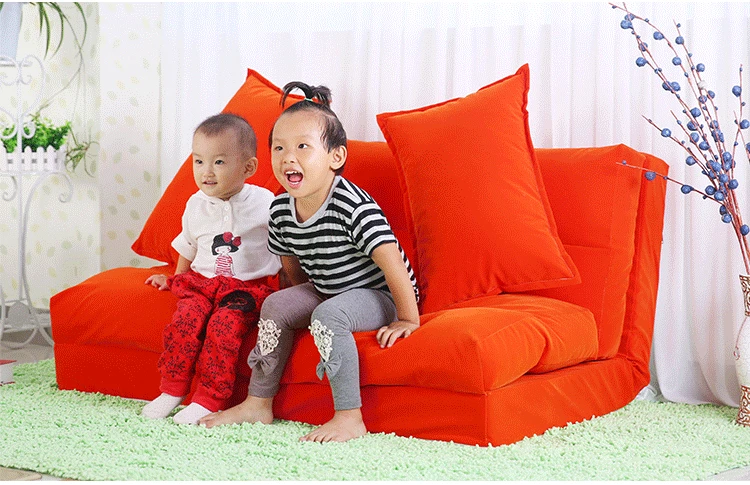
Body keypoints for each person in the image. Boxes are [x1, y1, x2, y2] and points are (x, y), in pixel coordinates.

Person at [199, 82, 420, 443]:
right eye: (279, 148)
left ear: (335, 157)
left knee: (328, 316)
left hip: (379, 292)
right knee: (276, 305)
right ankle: (258, 403)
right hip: (327, 287)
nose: (289, 157)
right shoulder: (280, 210)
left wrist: (408, 318)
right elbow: (293, 267)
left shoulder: (352, 206)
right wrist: (298, 303)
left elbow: (392, 263)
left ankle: (349, 417)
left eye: (302, 147)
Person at [141, 113, 282, 425]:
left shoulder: (266, 203)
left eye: (218, 162)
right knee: (185, 321)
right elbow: (188, 246)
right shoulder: (195, 204)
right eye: (199, 161)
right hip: (202, 284)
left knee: (223, 329)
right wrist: (174, 279)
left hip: (245, 291)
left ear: (248, 168)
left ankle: (208, 398)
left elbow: (284, 248)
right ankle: (172, 389)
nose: (206, 171)